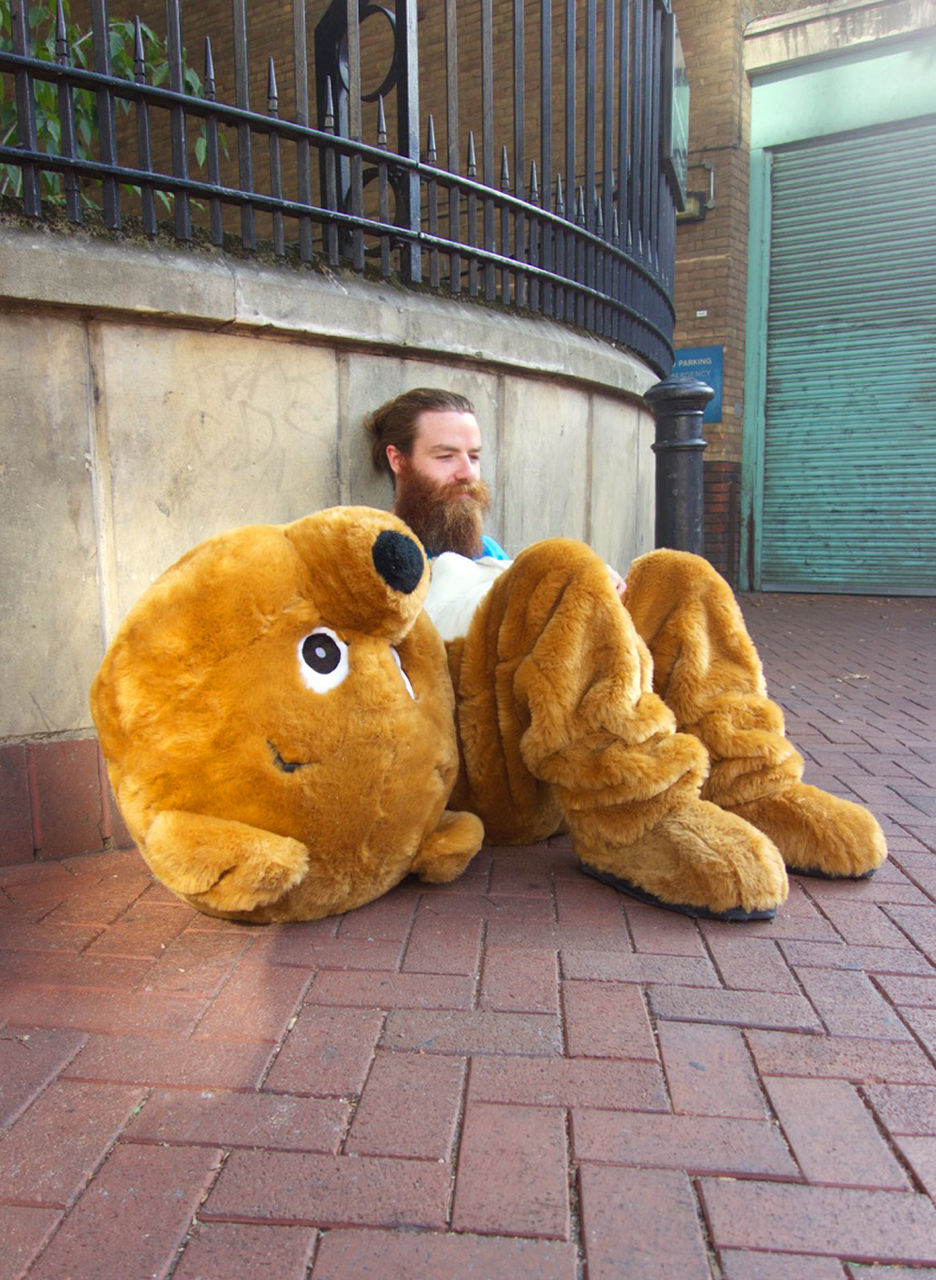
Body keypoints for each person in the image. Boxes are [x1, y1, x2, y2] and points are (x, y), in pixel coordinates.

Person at [363, 387, 887, 920]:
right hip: (485, 761)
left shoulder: (497, 555)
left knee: (679, 576)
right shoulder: (378, 554)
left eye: (474, 457)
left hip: (550, 740)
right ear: (398, 460)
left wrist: (601, 589)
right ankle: (630, 819)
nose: (466, 474)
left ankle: (748, 785)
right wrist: (563, 579)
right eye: (445, 456)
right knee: (561, 562)